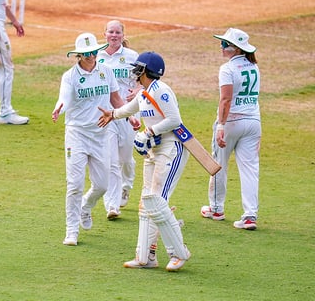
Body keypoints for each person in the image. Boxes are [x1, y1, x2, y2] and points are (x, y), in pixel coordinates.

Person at [98, 51, 191, 271]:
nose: (134, 72)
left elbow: (175, 120)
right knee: (146, 202)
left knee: (157, 201)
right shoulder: (144, 94)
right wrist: (112, 114)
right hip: (154, 152)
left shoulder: (162, 91)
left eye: (138, 68)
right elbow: (127, 110)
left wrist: (149, 132)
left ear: (147, 71)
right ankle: (145, 257)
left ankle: (179, 252)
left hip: (171, 150)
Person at [51, 32, 128, 246]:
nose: (91, 56)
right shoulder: (70, 76)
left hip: (101, 135)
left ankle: (86, 206)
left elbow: (116, 99)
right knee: (74, 184)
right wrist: (60, 108)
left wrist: (129, 118)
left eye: (93, 52)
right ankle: (71, 231)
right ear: (78, 55)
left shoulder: (106, 71)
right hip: (76, 134)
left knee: (102, 186)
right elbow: (64, 97)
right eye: (86, 53)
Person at [200, 28, 261, 230]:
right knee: (250, 169)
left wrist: (221, 126)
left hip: (232, 122)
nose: (221, 46)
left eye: (225, 44)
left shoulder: (227, 69)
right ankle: (250, 215)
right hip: (253, 123)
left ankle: (216, 209)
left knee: (219, 164)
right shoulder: (254, 66)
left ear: (234, 49)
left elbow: (225, 100)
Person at [96, 20, 139, 218]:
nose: (114, 35)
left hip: (129, 111)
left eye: (117, 32)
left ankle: (126, 185)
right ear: (104, 33)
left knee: (126, 159)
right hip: (107, 114)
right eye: (110, 32)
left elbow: (144, 81)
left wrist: (137, 91)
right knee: (111, 161)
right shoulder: (97, 56)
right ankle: (111, 205)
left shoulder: (131, 56)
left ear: (123, 35)